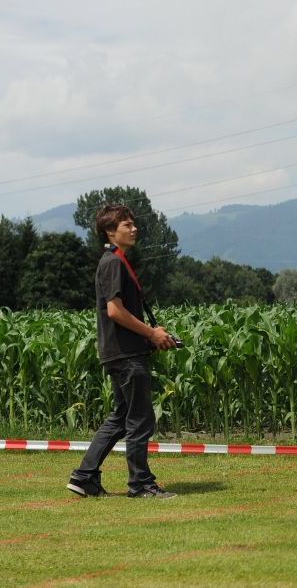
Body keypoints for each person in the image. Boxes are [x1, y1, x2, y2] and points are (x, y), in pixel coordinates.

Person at [67, 204, 178, 499]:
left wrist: (154, 334)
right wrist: (152, 333)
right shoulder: (113, 263)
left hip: (120, 352)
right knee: (141, 418)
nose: (134, 228)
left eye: (133, 224)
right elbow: (115, 311)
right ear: (110, 231)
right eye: (127, 225)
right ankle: (141, 484)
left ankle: (84, 476)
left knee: (122, 417)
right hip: (126, 355)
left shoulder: (113, 261)